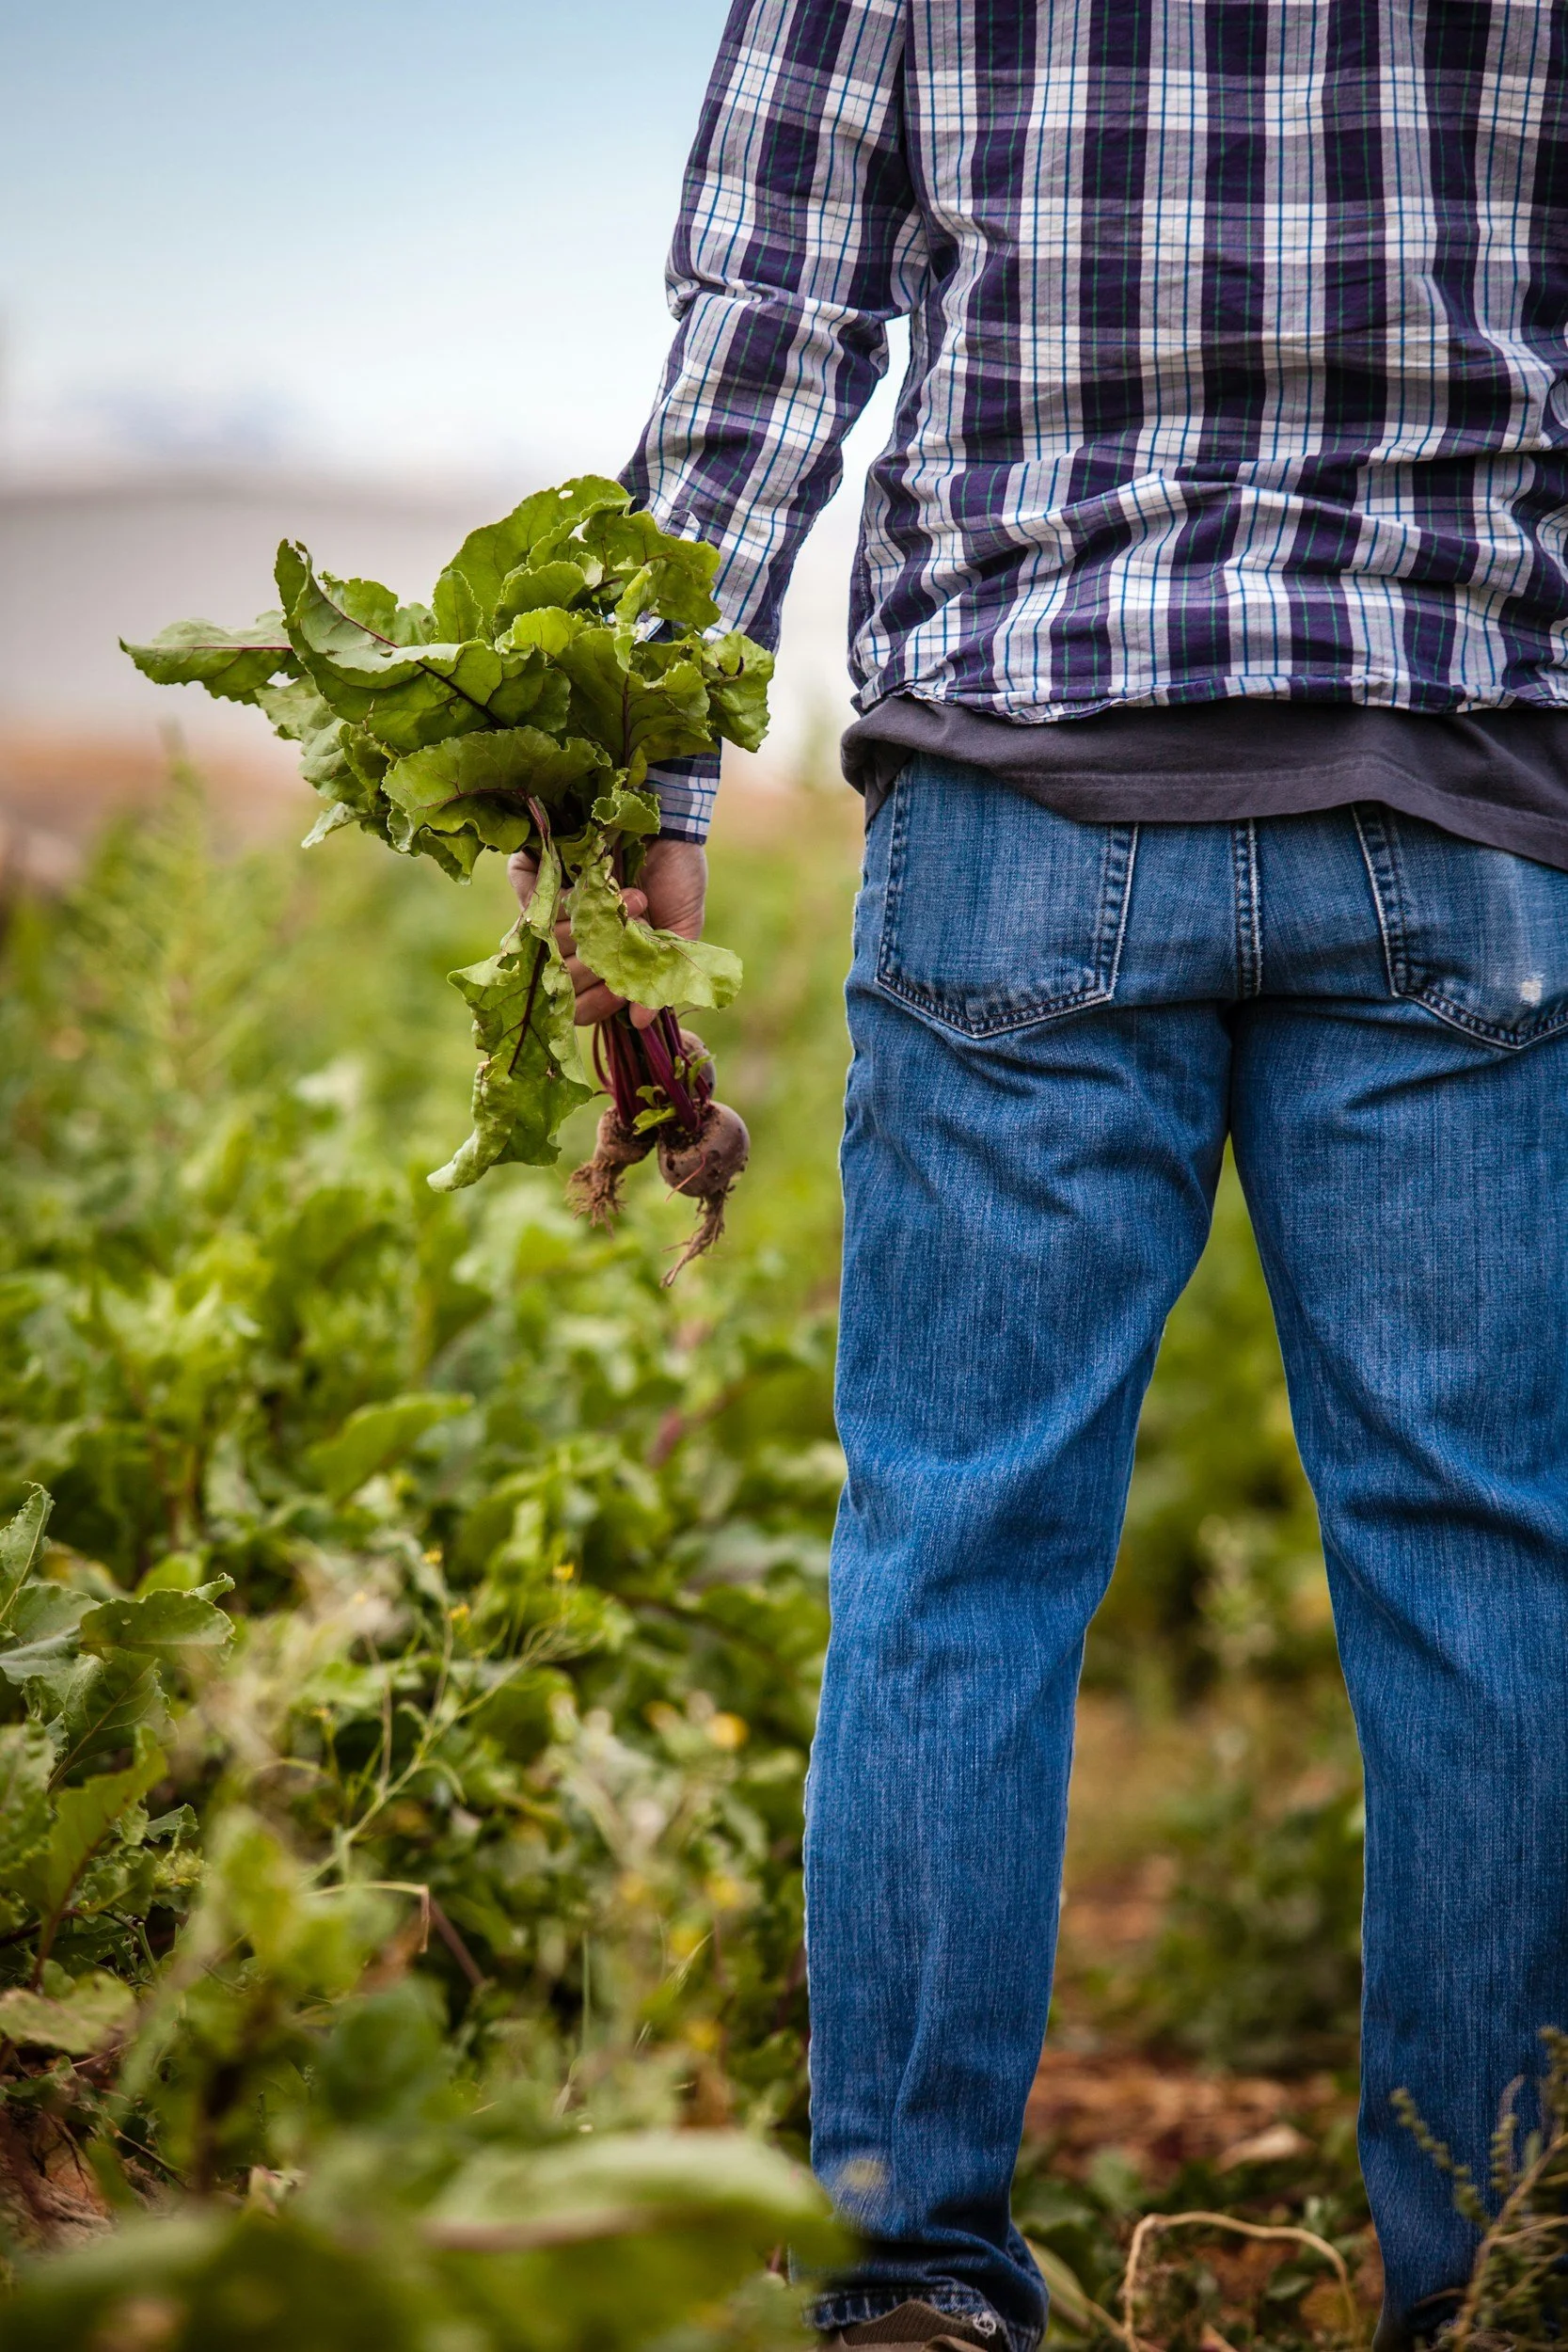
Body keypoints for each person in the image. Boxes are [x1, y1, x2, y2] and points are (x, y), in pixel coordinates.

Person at [514, 4, 1568, 2346]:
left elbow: (762, 317)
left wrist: (648, 792)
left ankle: (908, 2279)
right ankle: (1496, 2276)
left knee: (955, 1536)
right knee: (1484, 1555)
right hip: (1462, 797)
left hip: (1021, 795)